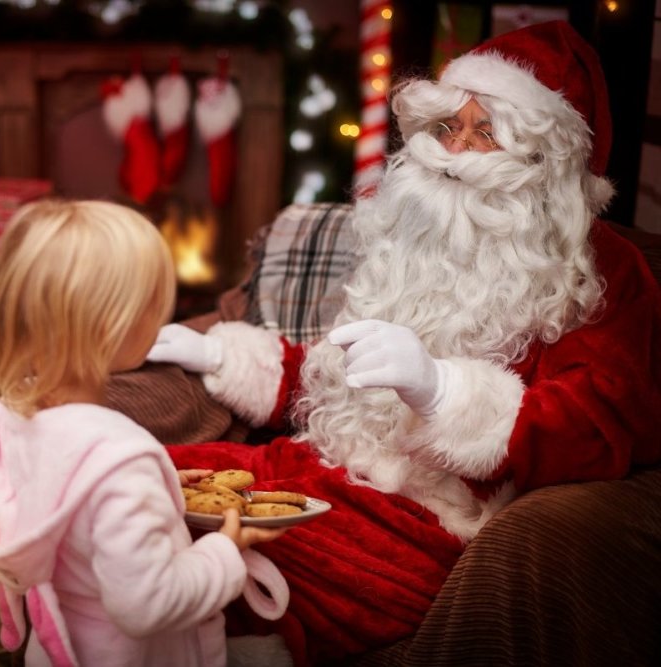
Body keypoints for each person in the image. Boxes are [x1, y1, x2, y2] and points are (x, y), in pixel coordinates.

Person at [145, 20, 661, 664]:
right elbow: (341, 377)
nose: (454, 152)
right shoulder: (414, 236)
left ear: (544, 162)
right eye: (448, 128)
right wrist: (223, 355)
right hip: (316, 473)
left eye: (487, 132)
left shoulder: (599, 269)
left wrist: (443, 392)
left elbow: (606, 421)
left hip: (423, 525)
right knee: (134, 476)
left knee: (199, 567)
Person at [0, 199, 291, 667]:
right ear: (111, 324)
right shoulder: (121, 461)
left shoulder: (15, 415)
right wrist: (224, 553)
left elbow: (70, 491)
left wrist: (163, 481)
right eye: (152, 300)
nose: (164, 312)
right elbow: (148, 603)